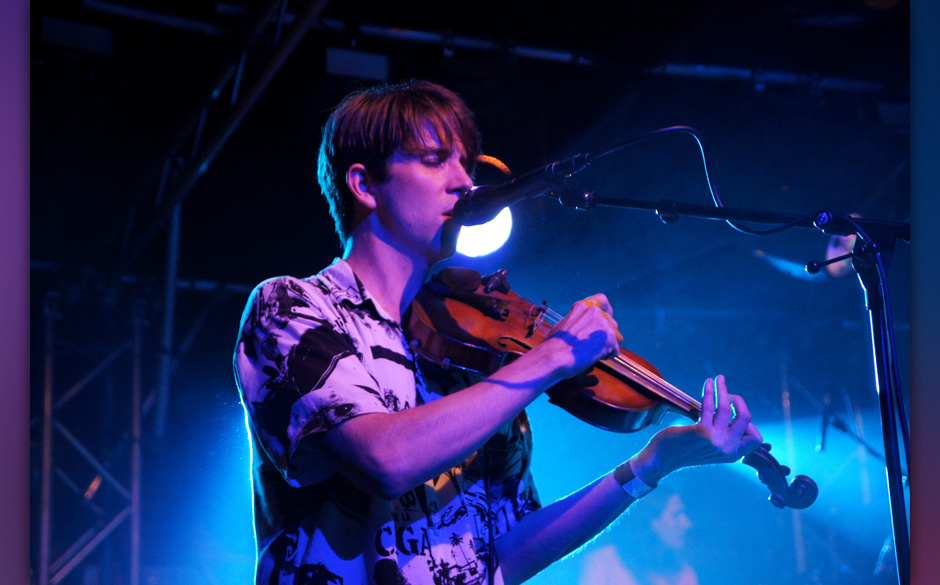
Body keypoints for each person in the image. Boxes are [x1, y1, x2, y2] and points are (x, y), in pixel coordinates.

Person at [233, 79, 764, 585]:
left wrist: (650, 464)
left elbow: (507, 554)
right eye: (435, 159)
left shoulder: (466, 352)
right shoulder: (293, 307)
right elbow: (386, 461)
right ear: (364, 184)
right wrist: (551, 357)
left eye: (464, 162)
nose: (465, 181)